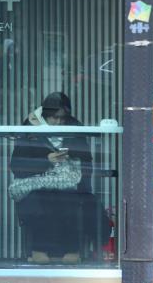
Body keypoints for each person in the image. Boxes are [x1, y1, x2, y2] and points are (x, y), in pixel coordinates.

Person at [10, 92, 97, 264]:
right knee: (42, 201)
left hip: (68, 182)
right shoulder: (30, 128)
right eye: (53, 118)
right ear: (44, 115)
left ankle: (71, 249)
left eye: (61, 118)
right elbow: (17, 165)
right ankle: (39, 249)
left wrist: (72, 157)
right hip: (37, 183)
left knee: (69, 201)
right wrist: (46, 161)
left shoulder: (75, 128)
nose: (57, 122)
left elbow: (86, 160)